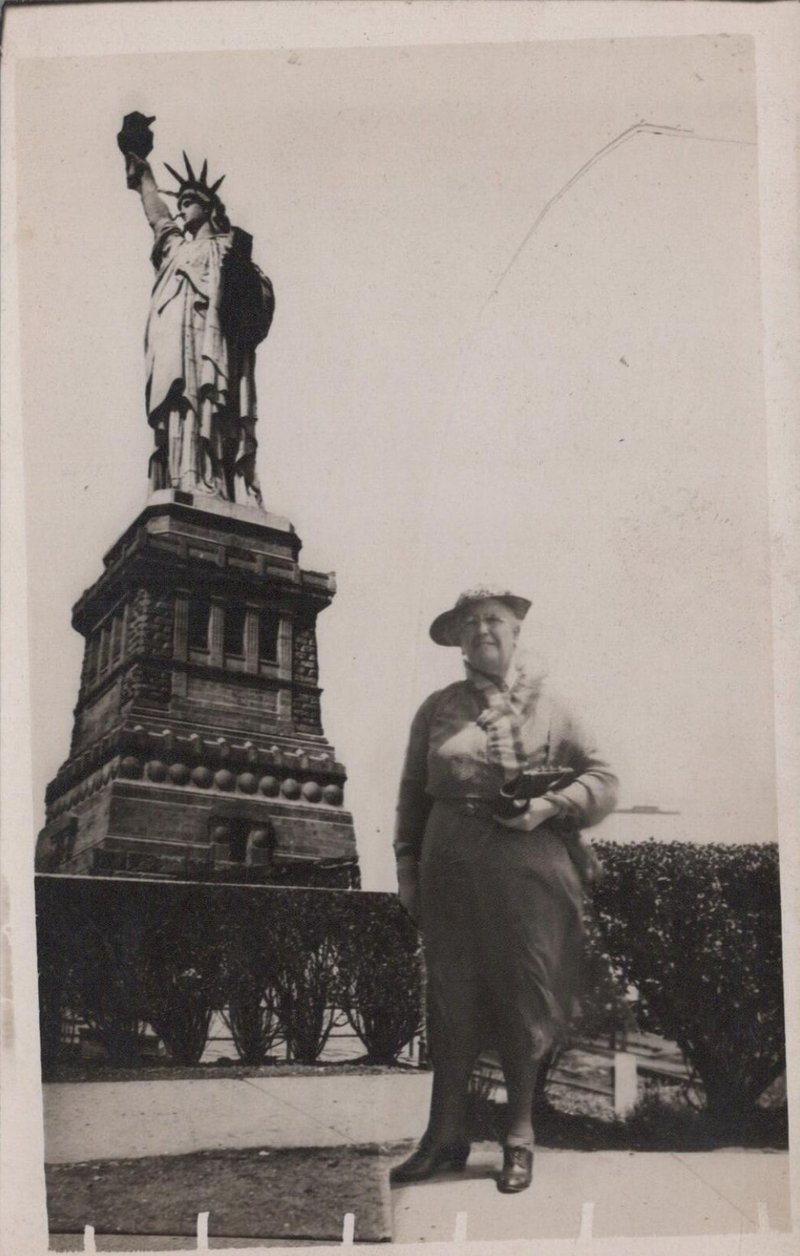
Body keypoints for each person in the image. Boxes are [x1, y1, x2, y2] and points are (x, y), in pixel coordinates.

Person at [391, 586, 618, 1193]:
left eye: (493, 620)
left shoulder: (553, 706)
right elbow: (413, 793)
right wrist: (407, 870)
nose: (481, 630)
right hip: (449, 867)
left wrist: (547, 806)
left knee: (525, 993)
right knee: (451, 1000)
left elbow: (603, 778)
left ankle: (519, 1137)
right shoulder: (438, 707)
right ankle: (444, 1137)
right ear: (458, 640)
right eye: (469, 624)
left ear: (516, 632)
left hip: (527, 866)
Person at [124, 150, 274, 504]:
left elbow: (255, 302)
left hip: (212, 347)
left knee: (210, 407)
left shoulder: (228, 249)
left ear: (208, 208)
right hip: (176, 348)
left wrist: (243, 278)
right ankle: (183, 478)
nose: (182, 208)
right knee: (180, 408)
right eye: (182, 201)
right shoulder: (175, 249)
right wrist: (143, 176)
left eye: (190, 201)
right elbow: (158, 218)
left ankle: (212, 484)